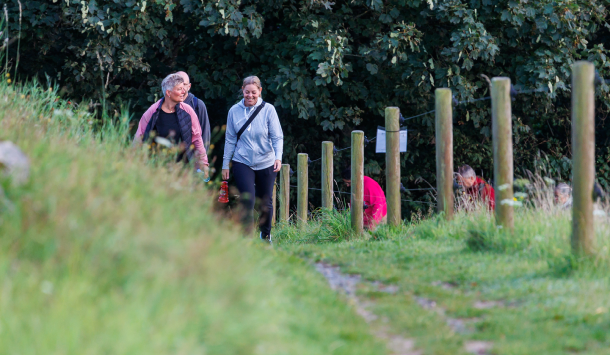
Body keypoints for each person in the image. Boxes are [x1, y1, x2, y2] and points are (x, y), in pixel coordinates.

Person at [222, 76, 283, 241]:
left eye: (253, 92)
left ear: (260, 91)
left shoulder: (269, 110)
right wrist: (225, 165)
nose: (250, 95)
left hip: (266, 161)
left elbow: (277, 137)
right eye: (247, 92)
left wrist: (278, 157)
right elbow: (230, 139)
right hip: (242, 160)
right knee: (247, 199)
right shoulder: (234, 111)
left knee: (266, 201)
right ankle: (246, 237)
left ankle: (266, 235)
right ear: (242, 90)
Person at [133, 73, 209, 178]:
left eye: (184, 88)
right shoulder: (153, 111)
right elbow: (139, 137)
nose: (184, 92)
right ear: (168, 92)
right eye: (179, 89)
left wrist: (204, 164)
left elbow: (197, 139)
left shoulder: (188, 111)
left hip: (184, 168)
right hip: (158, 168)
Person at [175, 71, 212, 152]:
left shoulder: (198, 105)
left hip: (192, 158)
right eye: (178, 84)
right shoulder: (166, 105)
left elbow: (205, 134)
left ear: (189, 86)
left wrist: (201, 160)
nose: (181, 87)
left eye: (184, 84)